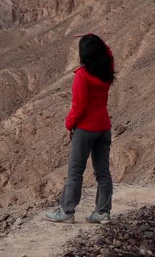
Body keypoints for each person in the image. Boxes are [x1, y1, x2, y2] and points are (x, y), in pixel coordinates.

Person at [46, 34, 115, 224]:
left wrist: (69, 124)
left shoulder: (82, 76)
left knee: (75, 171)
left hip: (85, 128)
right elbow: (109, 54)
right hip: (104, 127)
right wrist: (96, 39)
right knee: (103, 172)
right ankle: (102, 211)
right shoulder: (107, 70)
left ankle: (67, 211)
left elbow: (79, 106)